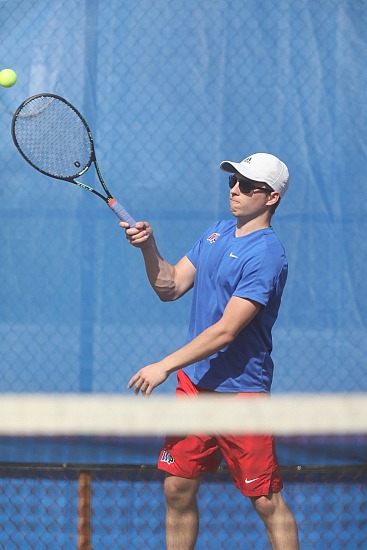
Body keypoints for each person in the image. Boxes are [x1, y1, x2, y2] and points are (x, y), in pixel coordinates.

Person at [121, 152, 299, 550]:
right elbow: (169, 286)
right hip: (196, 386)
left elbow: (226, 332)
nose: (235, 190)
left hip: (241, 395)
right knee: (177, 488)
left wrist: (164, 365)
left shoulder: (266, 255)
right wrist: (149, 248)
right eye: (233, 181)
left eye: (248, 186)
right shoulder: (216, 234)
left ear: (271, 197)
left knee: (266, 501)